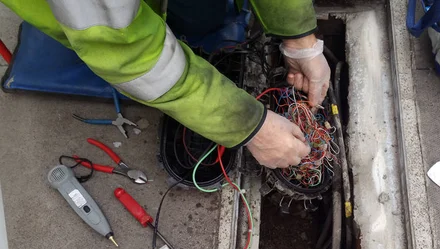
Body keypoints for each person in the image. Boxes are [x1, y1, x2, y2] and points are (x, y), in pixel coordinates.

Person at [0, 0, 331, 169]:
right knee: (114, 52)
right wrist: (249, 127)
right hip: (94, 18)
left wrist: (299, 37)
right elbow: (127, 53)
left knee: (200, 16)